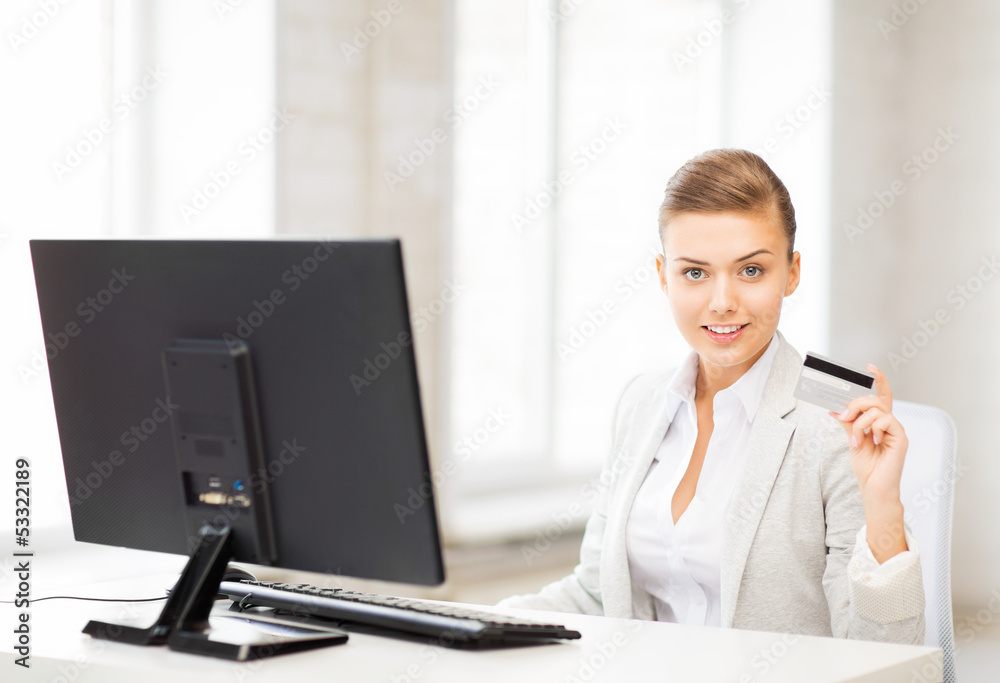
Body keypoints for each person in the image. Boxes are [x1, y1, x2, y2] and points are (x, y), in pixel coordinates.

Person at [498, 149, 925, 644]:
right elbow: (599, 595)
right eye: (695, 273)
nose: (723, 303)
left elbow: (888, 658)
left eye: (751, 271)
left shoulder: (838, 417)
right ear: (663, 275)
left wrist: (883, 508)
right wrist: (469, 622)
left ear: (791, 273)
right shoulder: (641, 402)